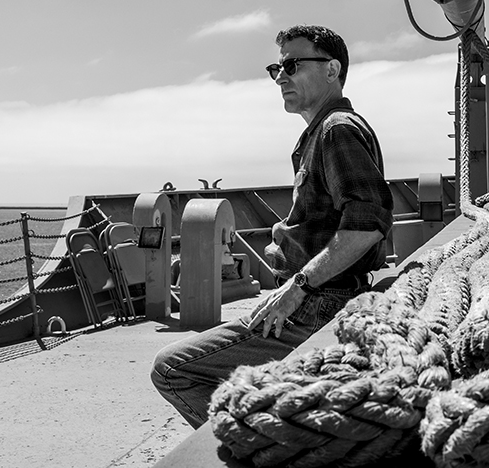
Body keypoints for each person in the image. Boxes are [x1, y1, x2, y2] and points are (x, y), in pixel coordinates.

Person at [151, 25, 393, 428]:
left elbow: (368, 223)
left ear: (332, 70)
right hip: (318, 299)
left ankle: (256, 447)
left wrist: (296, 285)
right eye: (275, 68)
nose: (281, 77)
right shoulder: (322, 132)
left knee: (173, 370)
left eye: (293, 65)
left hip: (315, 306)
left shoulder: (337, 131)